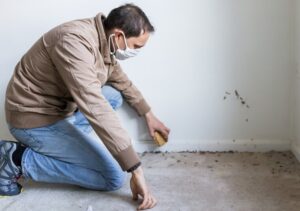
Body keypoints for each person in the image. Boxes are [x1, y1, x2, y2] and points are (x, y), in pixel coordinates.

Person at [0, 3, 170, 210]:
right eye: (137, 46)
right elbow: (93, 105)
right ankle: (16, 159)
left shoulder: (103, 42)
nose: (136, 52)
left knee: (113, 95)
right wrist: (135, 169)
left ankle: (63, 144)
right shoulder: (73, 42)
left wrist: (148, 114)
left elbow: (120, 81)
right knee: (113, 177)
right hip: (34, 119)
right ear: (118, 35)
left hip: (59, 110)